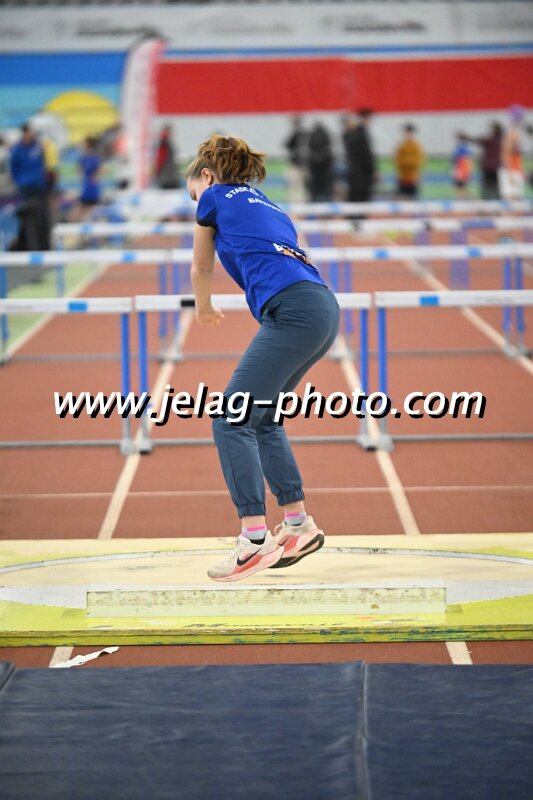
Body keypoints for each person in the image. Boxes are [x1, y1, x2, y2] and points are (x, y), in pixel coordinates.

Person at [185, 134, 340, 582]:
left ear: (207, 176)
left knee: (229, 419)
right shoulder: (271, 204)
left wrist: (203, 306)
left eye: (192, 192)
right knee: (263, 420)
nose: (195, 202)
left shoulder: (212, 196)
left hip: (293, 311)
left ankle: (254, 539)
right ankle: (297, 525)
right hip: (321, 306)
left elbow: (201, 266)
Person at [9, 123, 50, 250]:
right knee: (27, 218)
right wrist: (20, 181)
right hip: (25, 187)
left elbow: (43, 162)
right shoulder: (17, 149)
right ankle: (27, 245)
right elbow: (13, 168)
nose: (33, 134)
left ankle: (43, 244)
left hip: (39, 186)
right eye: (30, 131)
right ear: (25, 132)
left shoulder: (37, 146)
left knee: (42, 216)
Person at [343, 108, 376, 203]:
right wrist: (372, 170)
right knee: (360, 200)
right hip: (361, 174)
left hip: (355, 173)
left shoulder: (352, 133)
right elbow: (366, 155)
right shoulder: (360, 134)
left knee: (355, 200)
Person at [463, 122, 503, 200]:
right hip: (497, 167)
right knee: (497, 187)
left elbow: (476, 140)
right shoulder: (501, 140)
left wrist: (466, 137)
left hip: (488, 167)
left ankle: (486, 201)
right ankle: (496, 201)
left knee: (487, 187)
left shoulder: (490, 140)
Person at [499, 105, 526, 201]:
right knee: (511, 201)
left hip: (515, 169)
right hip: (511, 170)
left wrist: (521, 170)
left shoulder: (515, 133)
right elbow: (505, 153)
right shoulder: (511, 134)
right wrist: (509, 172)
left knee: (517, 200)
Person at [394, 123, 424, 198]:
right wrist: (407, 161)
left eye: (409, 132)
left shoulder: (416, 146)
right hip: (402, 177)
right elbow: (397, 160)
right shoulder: (401, 146)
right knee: (401, 198)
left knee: (412, 199)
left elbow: (417, 161)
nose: (408, 135)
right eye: (406, 132)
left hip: (413, 178)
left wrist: (406, 161)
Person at [283, 115, 308, 203]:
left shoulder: (303, 134)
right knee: (294, 185)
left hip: (301, 165)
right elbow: (286, 145)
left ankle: (300, 201)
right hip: (295, 164)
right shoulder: (295, 134)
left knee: (300, 185)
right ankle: (296, 201)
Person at [307, 122, 334, 201]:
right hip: (324, 164)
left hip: (316, 164)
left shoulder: (313, 136)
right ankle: (325, 196)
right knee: (324, 181)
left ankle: (315, 196)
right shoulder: (325, 136)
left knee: (316, 182)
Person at [79, 137, 101, 210]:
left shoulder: (93, 157)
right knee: (86, 207)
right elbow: (81, 169)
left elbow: (99, 169)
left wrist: (95, 175)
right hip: (87, 185)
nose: (82, 145)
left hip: (91, 187)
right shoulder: (84, 157)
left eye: (84, 143)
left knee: (89, 207)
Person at [451, 133, 473, 198]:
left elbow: (456, 158)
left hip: (461, 167)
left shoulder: (460, 147)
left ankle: (462, 197)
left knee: (460, 185)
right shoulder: (465, 147)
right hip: (465, 166)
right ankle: (463, 196)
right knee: (462, 185)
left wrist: (454, 168)